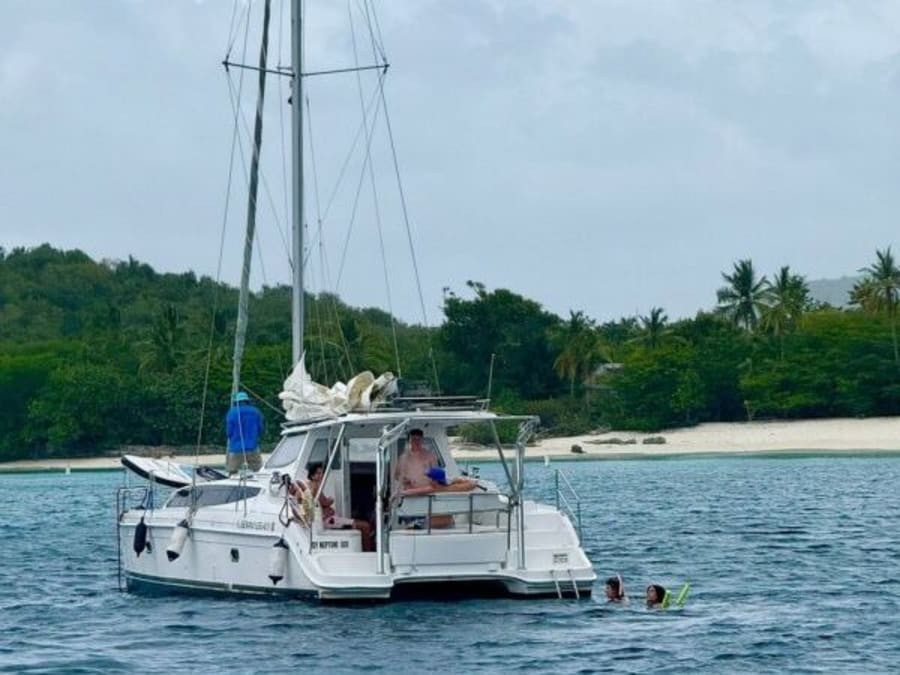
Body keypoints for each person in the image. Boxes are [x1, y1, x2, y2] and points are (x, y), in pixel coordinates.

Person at [307, 463, 374, 552]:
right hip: (330, 521)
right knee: (365, 526)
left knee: (362, 525)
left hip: (331, 519)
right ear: (312, 476)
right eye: (318, 473)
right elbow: (325, 502)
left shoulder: (312, 486)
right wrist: (330, 500)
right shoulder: (315, 487)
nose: (321, 475)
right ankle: (368, 552)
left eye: (321, 473)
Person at [400, 467, 477, 529]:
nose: (428, 480)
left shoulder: (432, 489)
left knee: (410, 526)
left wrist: (404, 488)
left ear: (434, 480)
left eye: (429, 478)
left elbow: (410, 492)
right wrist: (455, 480)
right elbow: (473, 484)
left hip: (432, 526)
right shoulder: (453, 488)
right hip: (449, 524)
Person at [225, 391, 264, 474]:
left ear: (236, 402)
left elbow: (229, 432)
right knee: (259, 471)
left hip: (236, 448)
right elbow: (260, 429)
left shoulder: (232, 412)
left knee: (232, 472)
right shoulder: (256, 411)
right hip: (253, 447)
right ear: (247, 401)